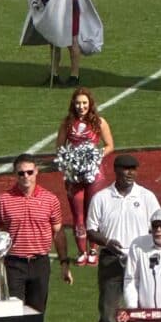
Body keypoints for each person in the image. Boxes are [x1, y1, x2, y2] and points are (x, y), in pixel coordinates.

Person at [86, 154, 160, 322]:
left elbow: (158, 227)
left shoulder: (147, 197)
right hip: (112, 260)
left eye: (133, 169)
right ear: (115, 170)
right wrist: (107, 242)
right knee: (107, 314)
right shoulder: (101, 198)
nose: (129, 173)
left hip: (141, 261)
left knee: (146, 312)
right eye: (125, 169)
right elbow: (91, 230)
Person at [0, 154, 73, 312]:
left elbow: (58, 233)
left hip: (40, 263)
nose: (25, 176)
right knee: (13, 313)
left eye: (29, 172)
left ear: (36, 172)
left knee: (37, 312)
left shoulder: (50, 200)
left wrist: (64, 263)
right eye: (21, 173)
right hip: (13, 264)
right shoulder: (3, 200)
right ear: (15, 174)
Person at [56, 87, 114, 266]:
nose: (81, 106)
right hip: (74, 176)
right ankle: (81, 251)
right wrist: (71, 161)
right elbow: (59, 147)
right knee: (78, 214)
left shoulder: (99, 122)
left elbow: (110, 145)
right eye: (78, 103)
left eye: (84, 103)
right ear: (73, 104)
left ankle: (93, 249)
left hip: (94, 174)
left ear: (90, 104)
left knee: (93, 212)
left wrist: (93, 157)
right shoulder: (67, 122)